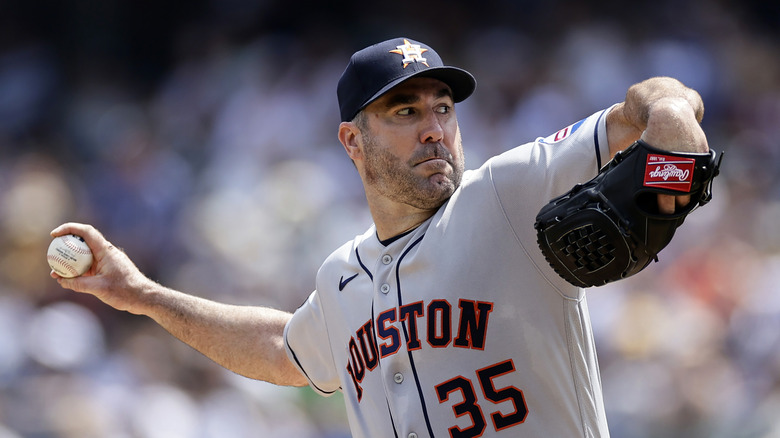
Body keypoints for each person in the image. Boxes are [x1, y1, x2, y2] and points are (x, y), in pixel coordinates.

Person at [51, 37, 710, 437]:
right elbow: (283, 349)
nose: (433, 127)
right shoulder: (343, 275)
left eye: (443, 108)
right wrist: (143, 295)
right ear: (352, 140)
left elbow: (646, 107)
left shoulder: (505, 193)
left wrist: (674, 116)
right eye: (405, 110)